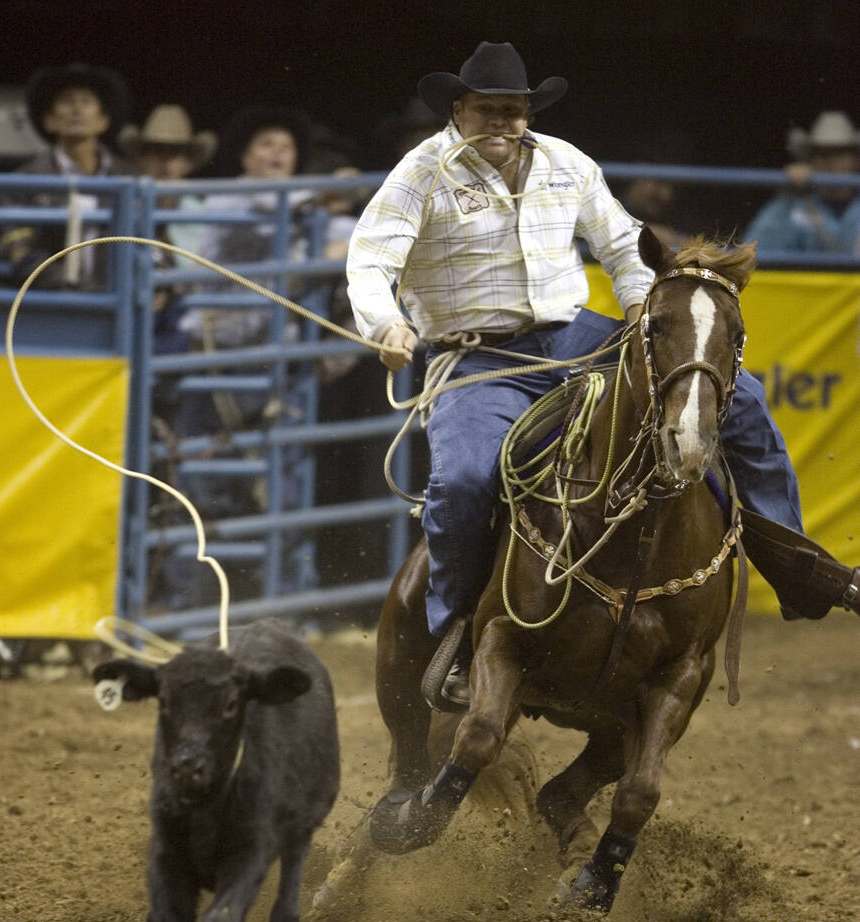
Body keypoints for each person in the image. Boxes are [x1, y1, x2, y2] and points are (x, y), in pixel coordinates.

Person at [346, 41, 860, 709]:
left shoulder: (566, 164)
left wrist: (644, 314)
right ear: (459, 110)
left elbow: (622, 247)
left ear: (527, 112)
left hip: (576, 334)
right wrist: (384, 326)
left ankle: (798, 569)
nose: (503, 124)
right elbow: (369, 263)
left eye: (514, 111)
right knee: (465, 478)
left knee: (744, 400)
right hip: (479, 359)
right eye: (489, 112)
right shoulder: (419, 177)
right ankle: (456, 637)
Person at [3, 63, 134, 288]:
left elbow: (154, 243)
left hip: (118, 301)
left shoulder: (131, 178)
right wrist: (76, 288)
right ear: (49, 121)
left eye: (86, 102)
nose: (77, 110)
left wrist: (158, 287)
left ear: (103, 121)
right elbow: (22, 254)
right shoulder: (23, 182)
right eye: (66, 101)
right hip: (53, 306)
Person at [118, 104, 217, 352]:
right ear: (142, 158)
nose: (167, 163)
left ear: (188, 162)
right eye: (157, 152)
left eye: (176, 154)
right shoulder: (123, 207)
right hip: (133, 311)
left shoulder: (202, 213)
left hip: (183, 312)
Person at [744, 111, 860, 254]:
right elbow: (753, 253)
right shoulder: (795, 205)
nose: (830, 162)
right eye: (821, 154)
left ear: (856, 160)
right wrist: (789, 194)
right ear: (810, 161)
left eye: (840, 153)